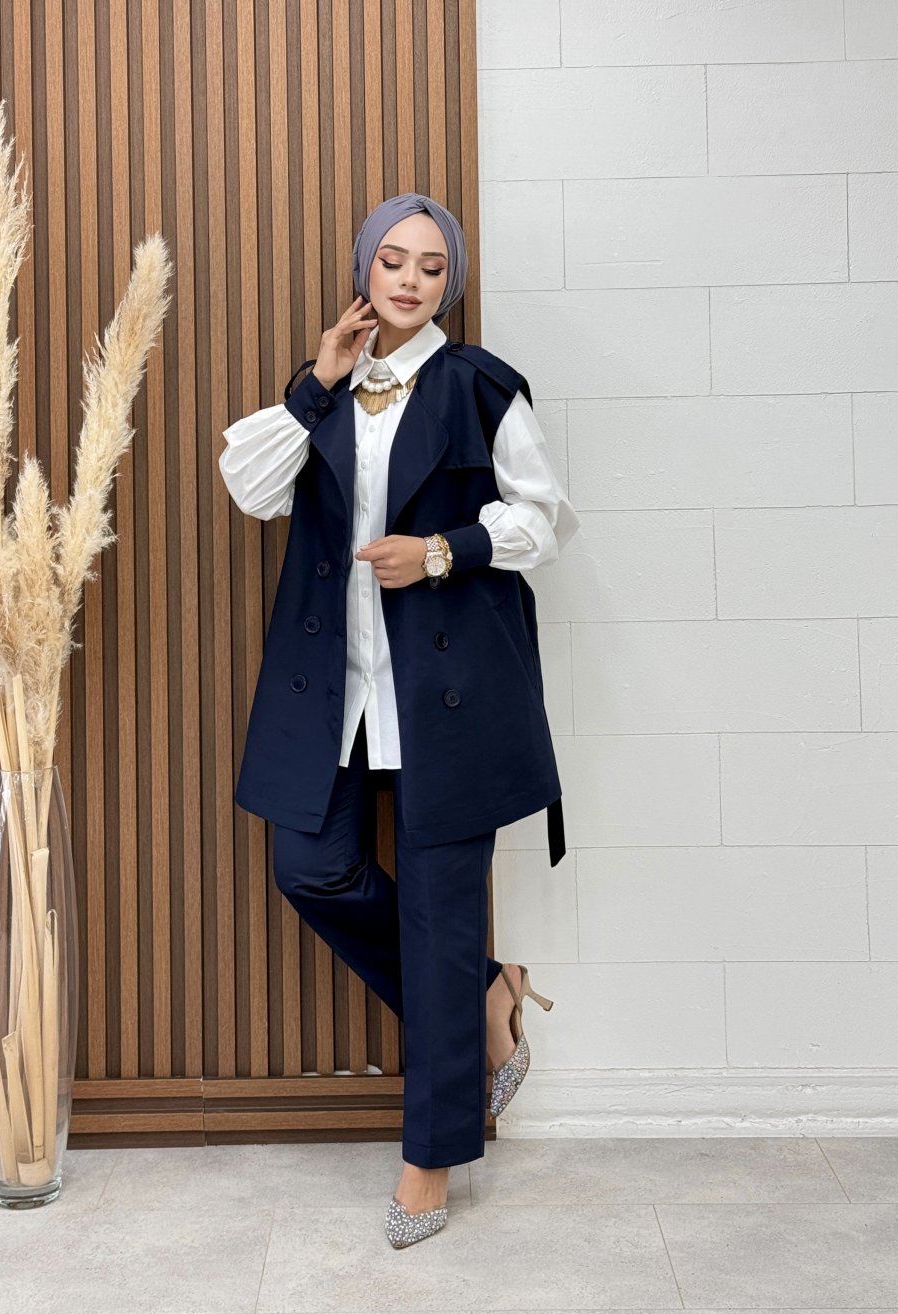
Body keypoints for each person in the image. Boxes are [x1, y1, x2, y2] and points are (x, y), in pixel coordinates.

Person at [219, 192, 579, 1248]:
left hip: (447, 691)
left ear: (449, 281)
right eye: (393, 259)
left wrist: (439, 552)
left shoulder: (480, 385)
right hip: (333, 689)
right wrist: (315, 382)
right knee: (310, 867)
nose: (411, 279)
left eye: (431, 264)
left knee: (437, 910)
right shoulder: (329, 391)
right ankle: (485, 993)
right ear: (363, 271)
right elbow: (249, 487)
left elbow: (547, 518)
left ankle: (432, 1157)